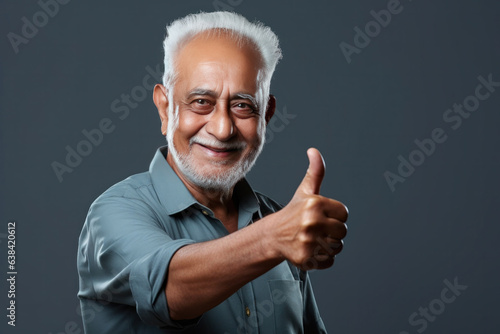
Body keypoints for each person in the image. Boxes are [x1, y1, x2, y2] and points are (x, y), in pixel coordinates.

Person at [77, 11, 348, 334]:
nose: (222, 129)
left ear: (267, 116)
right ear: (165, 109)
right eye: (201, 101)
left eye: (243, 106)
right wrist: (273, 238)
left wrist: (277, 231)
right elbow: (170, 290)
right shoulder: (113, 213)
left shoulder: (277, 218)